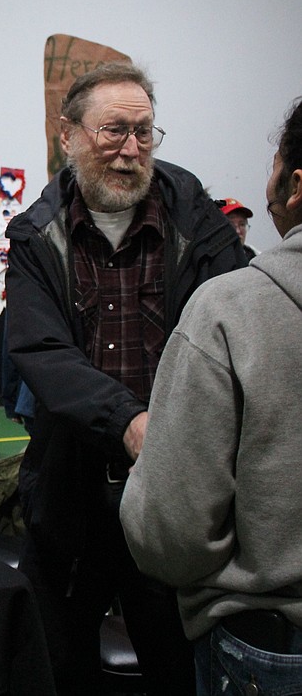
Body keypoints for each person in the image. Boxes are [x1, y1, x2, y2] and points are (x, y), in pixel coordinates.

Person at [4, 62, 246, 694]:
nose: (130, 149)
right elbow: (41, 349)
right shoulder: (36, 234)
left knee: (176, 662)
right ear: (70, 136)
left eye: (144, 132)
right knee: (61, 662)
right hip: (69, 490)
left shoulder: (196, 222)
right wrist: (131, 423)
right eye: (113, 131)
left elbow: (236, 320)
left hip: (178, 492)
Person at [120, 95, 302, 694]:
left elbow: (173, 531)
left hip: (270, 640)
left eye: (143, 131)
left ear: (293, 183)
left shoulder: (232, 311)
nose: (129, 148)